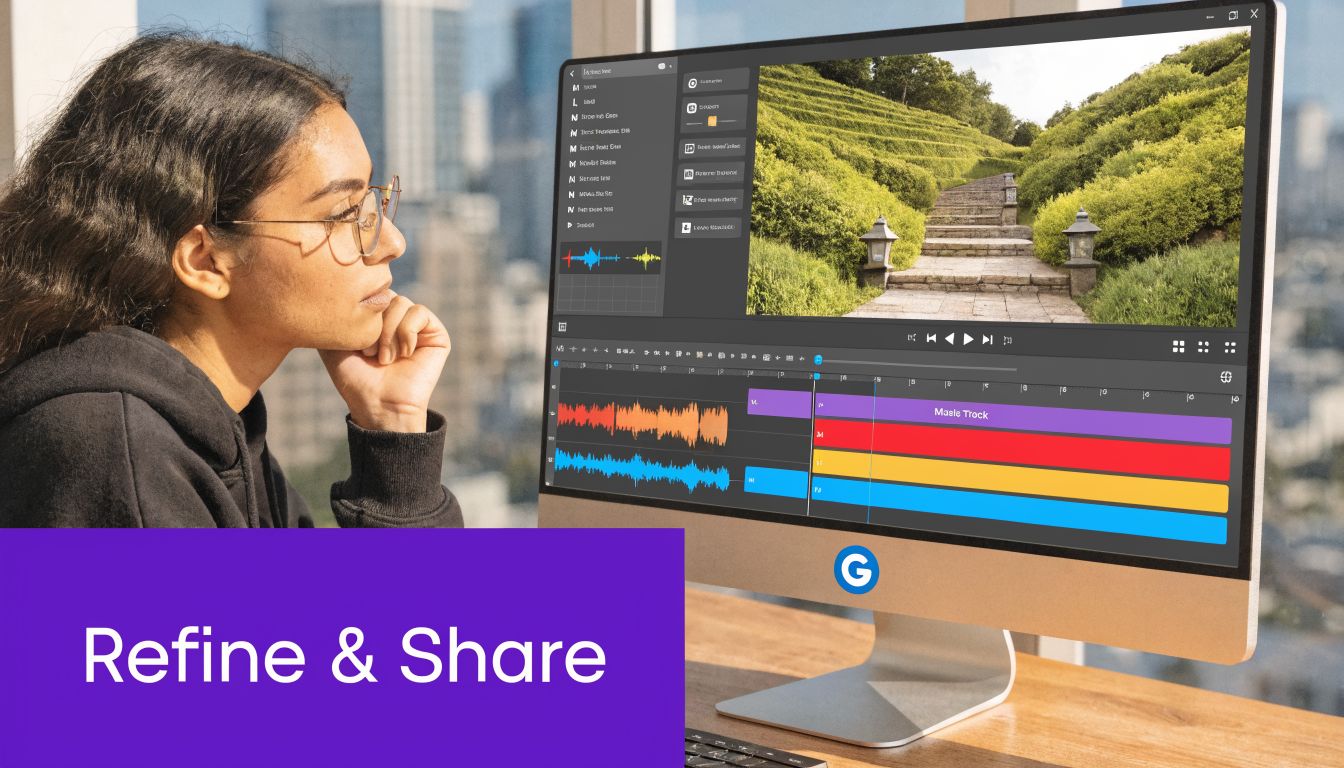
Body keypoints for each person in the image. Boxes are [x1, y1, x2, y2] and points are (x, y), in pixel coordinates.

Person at [0, 33, 463, 528]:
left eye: (372, 202)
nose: (391, 241)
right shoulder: (115, 456)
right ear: (205, 261)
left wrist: (394, 428)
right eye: (343, 213)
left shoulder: (218, 433)